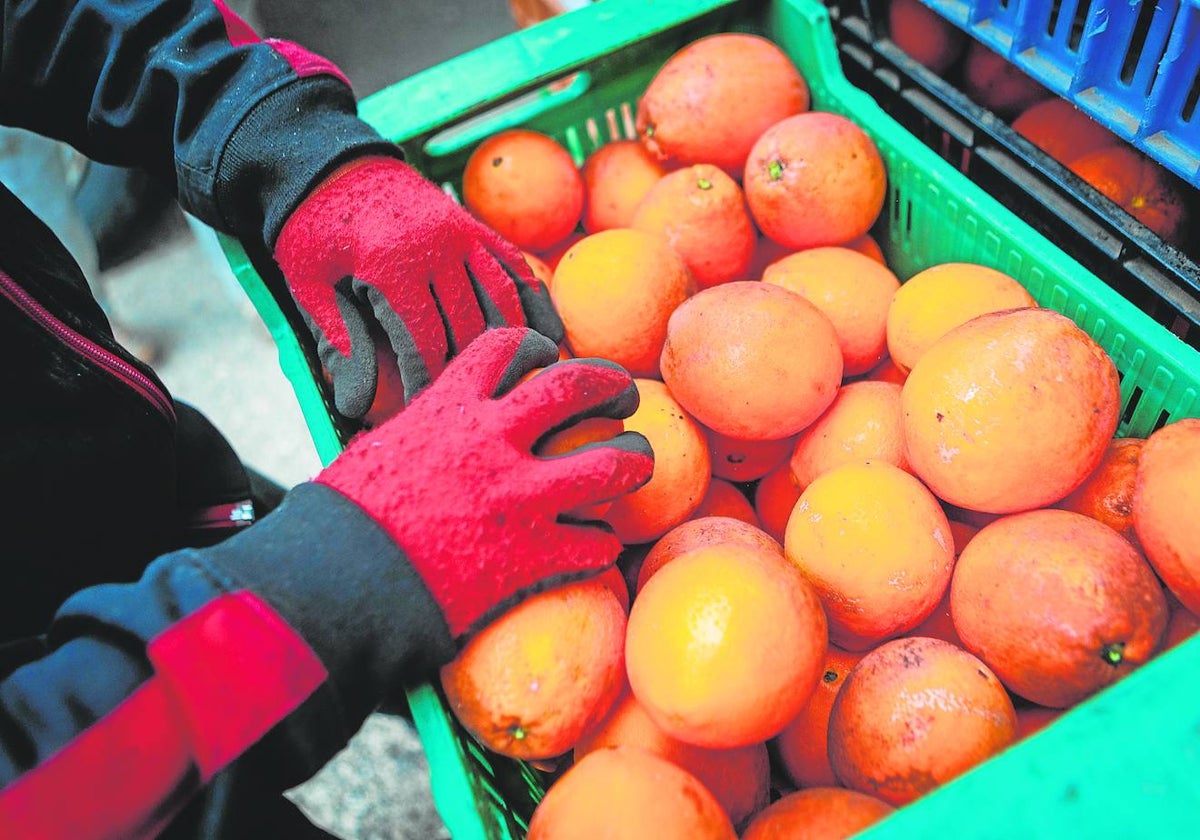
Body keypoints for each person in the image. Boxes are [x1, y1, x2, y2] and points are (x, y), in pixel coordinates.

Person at [0, 1, 655, 838]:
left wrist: (279, 135)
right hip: (95, 773)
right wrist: (334, 580)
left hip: (122, 471)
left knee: (437, 591)